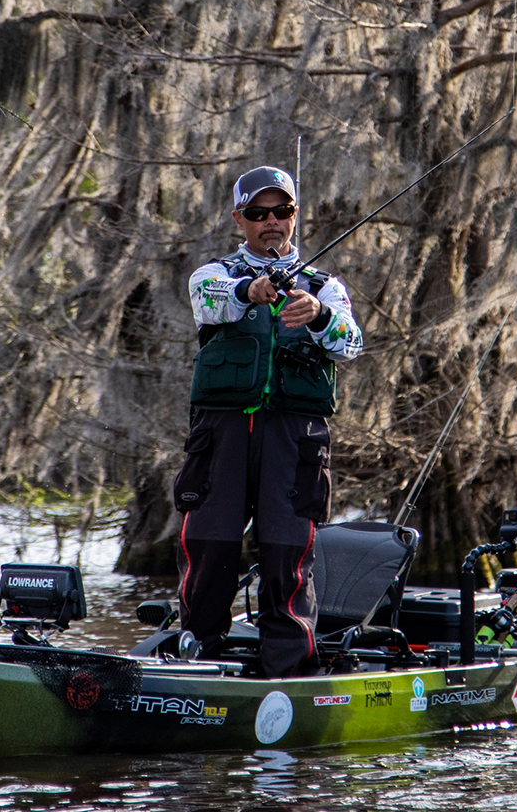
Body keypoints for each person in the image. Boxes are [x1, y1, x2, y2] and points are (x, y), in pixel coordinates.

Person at [176, 166, 364, 677]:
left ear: (294, 217)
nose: (271, 222)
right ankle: (199, 660)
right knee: (209, 549)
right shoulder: (213, 275)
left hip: (295, 439)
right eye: (258, 214)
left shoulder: (326, 287)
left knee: (288, 556)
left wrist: (320, 316)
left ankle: (290, 671)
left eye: (281, 212)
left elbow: (351, 342)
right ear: (240, 219)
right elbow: (208, 301)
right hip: (223, 435)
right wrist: (252, 291)